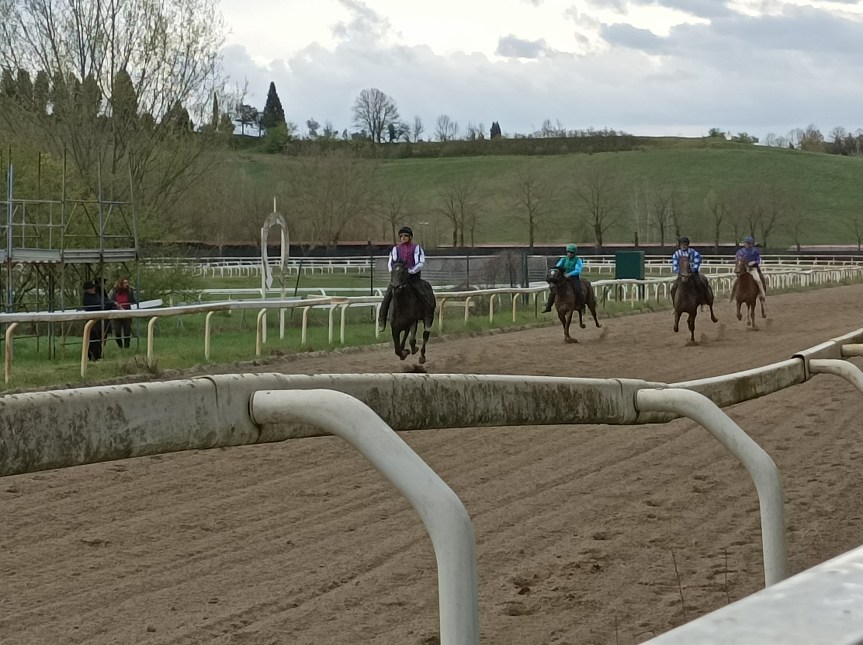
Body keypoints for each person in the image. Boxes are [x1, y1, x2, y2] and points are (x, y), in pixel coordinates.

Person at [378, 226, 428, 331]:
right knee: (387, 296)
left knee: (423, 294)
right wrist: (395, 273)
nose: (403, 238)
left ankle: (427, 316)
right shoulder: (396, 249)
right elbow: (391, 263)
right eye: (401, 236)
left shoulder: (416, 248)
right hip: (399, 277)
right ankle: (382, 320)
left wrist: (411, 271)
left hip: (413, 277)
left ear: (410, 237)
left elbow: (420, 262)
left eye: (405, 236)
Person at [671, 236, 714, 305]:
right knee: (673, 288)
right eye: (682, 244)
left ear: (688, 245)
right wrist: (679, 271)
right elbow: (674, 264)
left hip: (693, 274)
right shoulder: (677, 254)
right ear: (680, 245)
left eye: (685, 245)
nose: (683, 246)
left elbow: (697, 262)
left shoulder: (694, 253)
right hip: (681, 274)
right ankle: (675, 305)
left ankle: (702, 299)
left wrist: (693, 270)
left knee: (700, 284)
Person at [82, 281, 117, 361]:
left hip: (100, 320)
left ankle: (97, 354)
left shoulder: (96, 295)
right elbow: (98, 304)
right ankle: (93, 355)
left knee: (100, 338)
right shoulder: (88, 298)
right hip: (93, 320)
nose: (94, 289)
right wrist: (111, 304)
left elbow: (104, 300)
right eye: (92, 287)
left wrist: (113, 303)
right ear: (88, 289)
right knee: (94, 338)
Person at [543, 243, 583, 312]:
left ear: (574, 253)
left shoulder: (578, 260)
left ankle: (581, 305)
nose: (569, 254)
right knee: (554, 289)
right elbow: (557, 267)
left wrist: (569, 274)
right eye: (568, 252)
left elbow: (578, 270)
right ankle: (548, 306)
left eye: (571, 252)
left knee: (578, 289)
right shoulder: (563, 259)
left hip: (573, 278)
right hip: (563, 278)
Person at [109, 277, 138, 348]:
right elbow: (110, 301)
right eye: (125, 283)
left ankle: (126, 347)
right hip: (117, 314)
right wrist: (116, 305)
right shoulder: (114, 291)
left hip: (127, 314)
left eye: (127, 283)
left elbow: (133, 301)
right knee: (117, 332)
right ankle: (120, 346)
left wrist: (134, 305)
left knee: (127, 332)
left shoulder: (129, 292)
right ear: (121, 284)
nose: (126, 284)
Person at [736, 235, 767, 302]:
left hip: (752, 269)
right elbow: (737, 258)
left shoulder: (755, 251)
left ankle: (762, 293)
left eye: (747, 243)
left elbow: (759, 260)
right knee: (734, 282)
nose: (745, 244)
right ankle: (733, 295)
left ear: (750, 244)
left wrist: (754, 262)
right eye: (745, 243)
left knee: (758, 280)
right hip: (743, 270)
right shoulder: (740, 251)